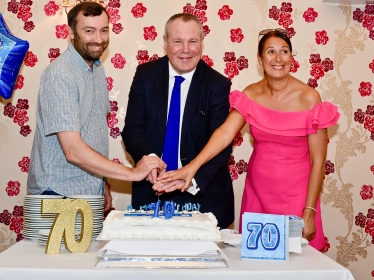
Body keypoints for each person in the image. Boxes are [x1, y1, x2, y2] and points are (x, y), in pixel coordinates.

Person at [156, 29, 340, 250]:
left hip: (297, 197)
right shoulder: (250, 94)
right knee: (256, 264)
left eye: (284, 51)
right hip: (258, 194)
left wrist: (309, 211)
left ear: (292, 57)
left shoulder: (310, 98)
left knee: (298, 265)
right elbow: (225, 133)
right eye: (271, 51)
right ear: (260, 59)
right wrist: (191, 168)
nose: (278, 58)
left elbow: (318, 162)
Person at [27, 2, 166, 212]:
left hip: (87, 190)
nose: (98, 39)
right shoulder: (60, 75)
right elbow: (73, 150)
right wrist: (132, 173)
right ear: (71, 33)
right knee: (55, 247)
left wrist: (102, 184)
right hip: (57, 194)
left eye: (104, 31)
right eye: (89, 31)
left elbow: (93, 136)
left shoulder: (96, 70)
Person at [122, 13, 234, 229]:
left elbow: (221, 147)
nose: (186, 49)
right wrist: (151, 162)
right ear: (165, 43)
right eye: (177, 41)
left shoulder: (218, 85)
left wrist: (190, 178)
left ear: (202, 42)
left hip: (203, 196)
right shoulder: (145, 75)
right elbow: (133, 130)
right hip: (152, 193)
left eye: (192, 41)